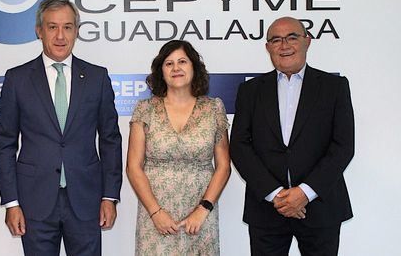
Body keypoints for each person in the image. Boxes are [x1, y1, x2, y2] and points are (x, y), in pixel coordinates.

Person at [0, 0, 122, 256]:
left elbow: (110, 140)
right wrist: (11, 202)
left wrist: (109, 196)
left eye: (67, 27)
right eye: (52, 27)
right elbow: (4, 143)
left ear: (76, 31)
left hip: (86, 201)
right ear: (39, 31)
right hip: (34, 202)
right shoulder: (17, 79)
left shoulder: (97, 77)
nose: (60, 36)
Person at [230, 17, 354, 256]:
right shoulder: (250, 90)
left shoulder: (334, 87)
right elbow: (240, 146)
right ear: (268, 47)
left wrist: (304, 193)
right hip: (266, 209)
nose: (284, 45)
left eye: (292, 37)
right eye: (275, 39)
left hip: (320, 207)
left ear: (307, 41)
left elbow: (343, 146)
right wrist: (277, 195)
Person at [127, 40, 231, 255]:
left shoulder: (213, 108)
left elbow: (223, 166)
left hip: (201, 213)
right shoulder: (145, 109)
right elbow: (133, 167)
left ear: (194, 66)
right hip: (155, 213)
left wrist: (203, 209)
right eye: (169, 63)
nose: (176, 68)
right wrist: (156, 213)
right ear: (160, 71)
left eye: (182, 61)